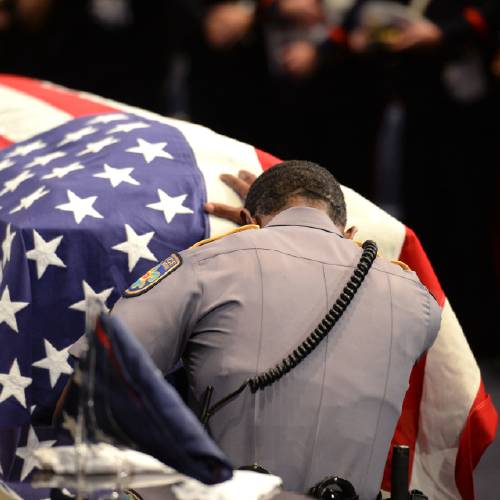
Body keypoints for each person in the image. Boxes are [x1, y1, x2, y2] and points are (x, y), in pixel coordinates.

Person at [111, 160, 441, 499]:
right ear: (351, 234)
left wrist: (254, 238)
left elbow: (96, 380)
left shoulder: (206, 267)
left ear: (246, 221)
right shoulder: (419, 302)